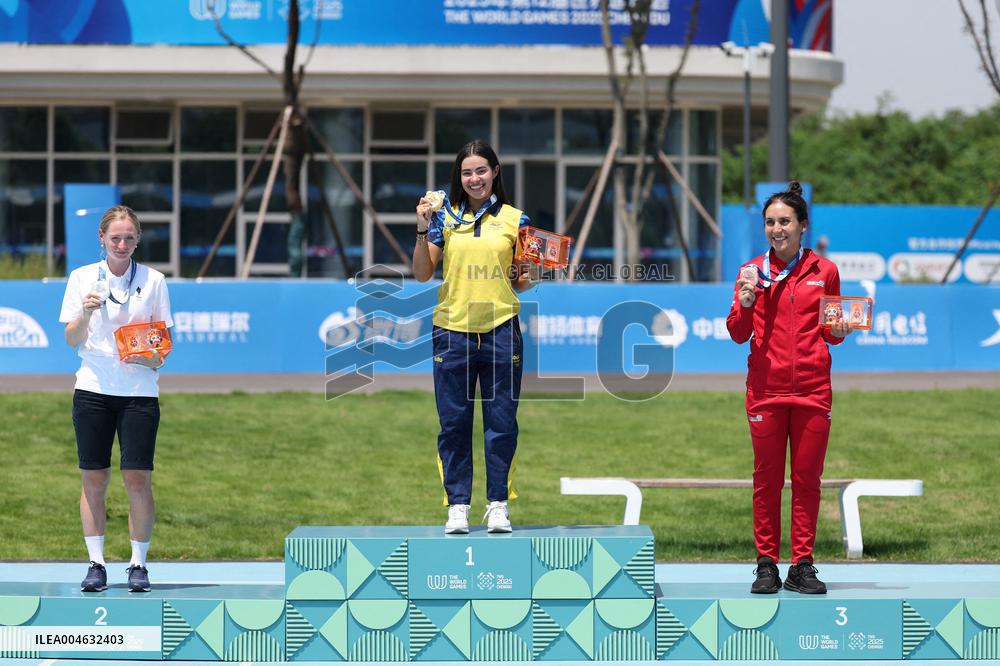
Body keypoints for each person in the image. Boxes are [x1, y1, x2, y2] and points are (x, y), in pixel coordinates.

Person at [726, 181, 851, 595]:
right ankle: (766, 564)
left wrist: (839, 327)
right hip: (765, 391)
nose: (777, 229)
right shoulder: (751, 271)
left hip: (814, 390)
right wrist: (744, 303)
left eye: (785, 221)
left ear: (802, 226)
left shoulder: (825, 271)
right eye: (770, 222)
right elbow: (737, 334)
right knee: (766, 480)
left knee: (807, 479)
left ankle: (802, 564)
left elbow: (833, 336)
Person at [412, 140, 538, 535]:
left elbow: (521, 283)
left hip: (501, 330)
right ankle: (457, 506)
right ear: (459, 177)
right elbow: (421, 273)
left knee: (502, 423)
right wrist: (420, 227)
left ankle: (498, 504)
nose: (474, 179)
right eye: (467, 172)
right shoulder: (442, 216)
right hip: (451, 332)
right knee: (454, 424)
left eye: (481, 170)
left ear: (495, 172)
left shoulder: (517, 220)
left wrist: (533, 265)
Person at [59, 205, 173, 593]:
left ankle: (138, 565)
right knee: (93, 477)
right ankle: (96, 564)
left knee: (137, 478)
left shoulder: (155, 280)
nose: (122, 244)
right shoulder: (81, 278)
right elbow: (71, 339)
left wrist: (149, 355)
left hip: (139, 393)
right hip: (92, 389)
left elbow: (162, 347)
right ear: (102, 238)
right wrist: (87, 313)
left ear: (138, 239)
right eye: (115, 238)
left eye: (129, 237)